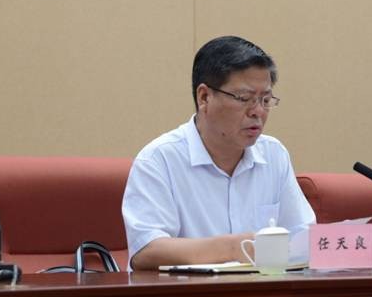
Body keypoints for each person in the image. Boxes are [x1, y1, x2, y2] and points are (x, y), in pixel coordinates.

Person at [122, 36, 316, 270]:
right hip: (192, 292)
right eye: (244, 98)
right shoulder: (159, 159)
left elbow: (303, 239)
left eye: (265, 100)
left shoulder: (274, 154)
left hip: (263, 291)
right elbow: (146, 251)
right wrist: (233, 248)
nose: (258, 111)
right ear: (204, 97)